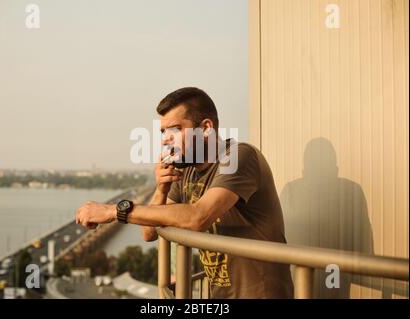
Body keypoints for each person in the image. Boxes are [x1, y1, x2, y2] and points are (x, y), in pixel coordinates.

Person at [76, 87, 294, 298]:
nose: (165, 139)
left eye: (175, 129)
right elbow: (149, 233)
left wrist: (114, 210)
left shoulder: (238, 157)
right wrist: (161, 190)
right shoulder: (187, 170)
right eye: (163, 132)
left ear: (206, 127)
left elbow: (198, 217)